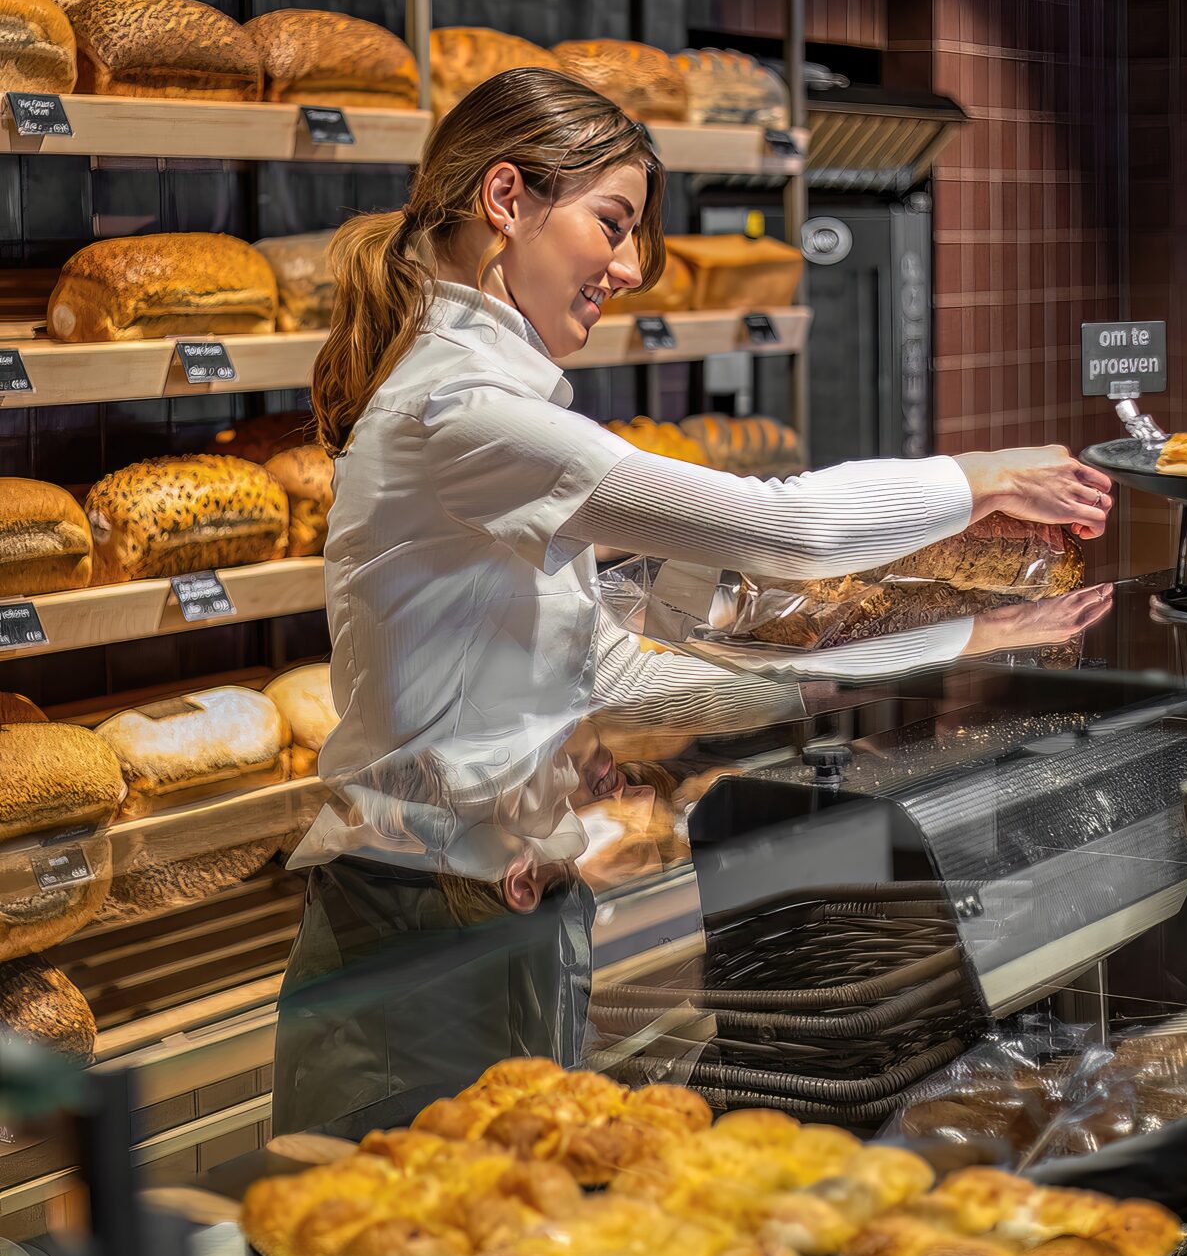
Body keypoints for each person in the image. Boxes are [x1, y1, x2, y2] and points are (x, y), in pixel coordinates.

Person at [271, 66, 1113, 1133]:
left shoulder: (492, 407)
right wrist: (979, 476)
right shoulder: (463, 413)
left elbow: (610, 673)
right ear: (504, 200)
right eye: (611, 224)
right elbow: (783, 526)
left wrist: (939, 640)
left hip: (511, 913)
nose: (626, 268)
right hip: (413, 936)